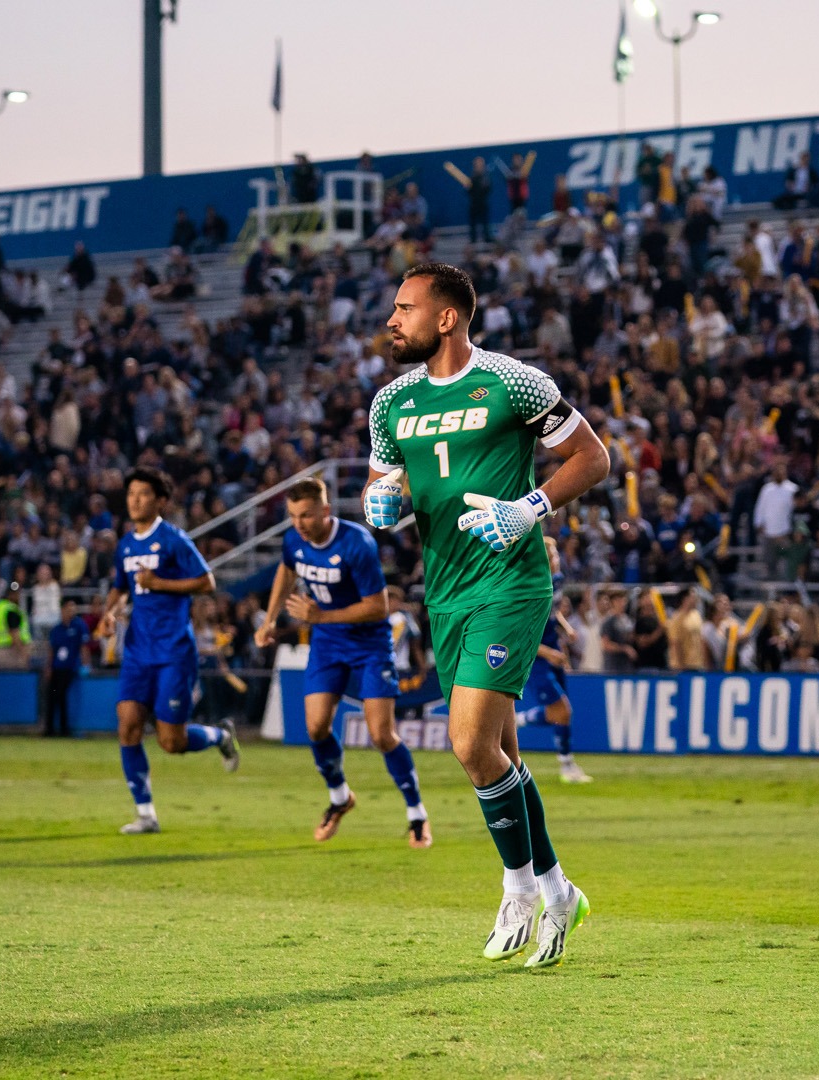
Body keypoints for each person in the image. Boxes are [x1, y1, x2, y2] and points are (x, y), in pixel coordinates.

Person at [362, 262, 610, 969]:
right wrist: (384, 500)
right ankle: (560, 889)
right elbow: (387, 479)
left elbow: (592, 457)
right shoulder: (390, 403)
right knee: (501, 756)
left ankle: (518, 888)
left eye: (405, 308)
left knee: (470, 747)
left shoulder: (514, 381)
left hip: (511, 581)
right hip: (444, 590)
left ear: (446, 318)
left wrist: (527, 508)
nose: (392, 319)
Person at [255, 477, 431, 848]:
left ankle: (416, 812)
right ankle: (339, 798)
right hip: (328, 644)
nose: (299, 524)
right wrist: (270, 620)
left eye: (306, 515)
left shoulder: (356, 543)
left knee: (382, 734)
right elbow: (287, 570)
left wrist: (320, 617)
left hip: (369, 643)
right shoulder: (294, 542)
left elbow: (377, 607)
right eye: (293, 516)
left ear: (325, 510)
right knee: (316, 726)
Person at [97, 468, 239, 835]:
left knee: (171, 742)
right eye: (131, 494)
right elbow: (120, 588)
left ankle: (220, 736)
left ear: (160, 500)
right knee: (127, 726)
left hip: (174, 651)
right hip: (138, 652)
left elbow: (207, 582)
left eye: (143, 494)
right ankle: (146, 814)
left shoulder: (174, 539)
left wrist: (160, 583)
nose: (135, 500)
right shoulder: (126, 545)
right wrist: (108, 614)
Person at [515, 539, 591, 784]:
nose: (555, 559)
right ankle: (518, 720)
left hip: (553, 650)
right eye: (549, 556)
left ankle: (567, 765)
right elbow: (521, 633)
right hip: (536, 657)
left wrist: (566, 628)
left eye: (556, 554)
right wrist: (550, 653)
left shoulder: (556, 582)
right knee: (561, 710)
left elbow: (554, 611)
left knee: (562, 714)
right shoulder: (531, 588)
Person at [44, 597, 87, 738]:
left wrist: (86, 664)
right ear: (63, 610)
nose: (71, 610)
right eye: (69, 607)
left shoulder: (79, 625)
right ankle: (49, 729)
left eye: (73, 607)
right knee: (52, 697)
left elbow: (83, 647)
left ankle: (64, 729)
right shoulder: (57, 629)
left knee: (61, 695)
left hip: (69, 667)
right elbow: (52, 649)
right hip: (57, 667)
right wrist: (49, 667)